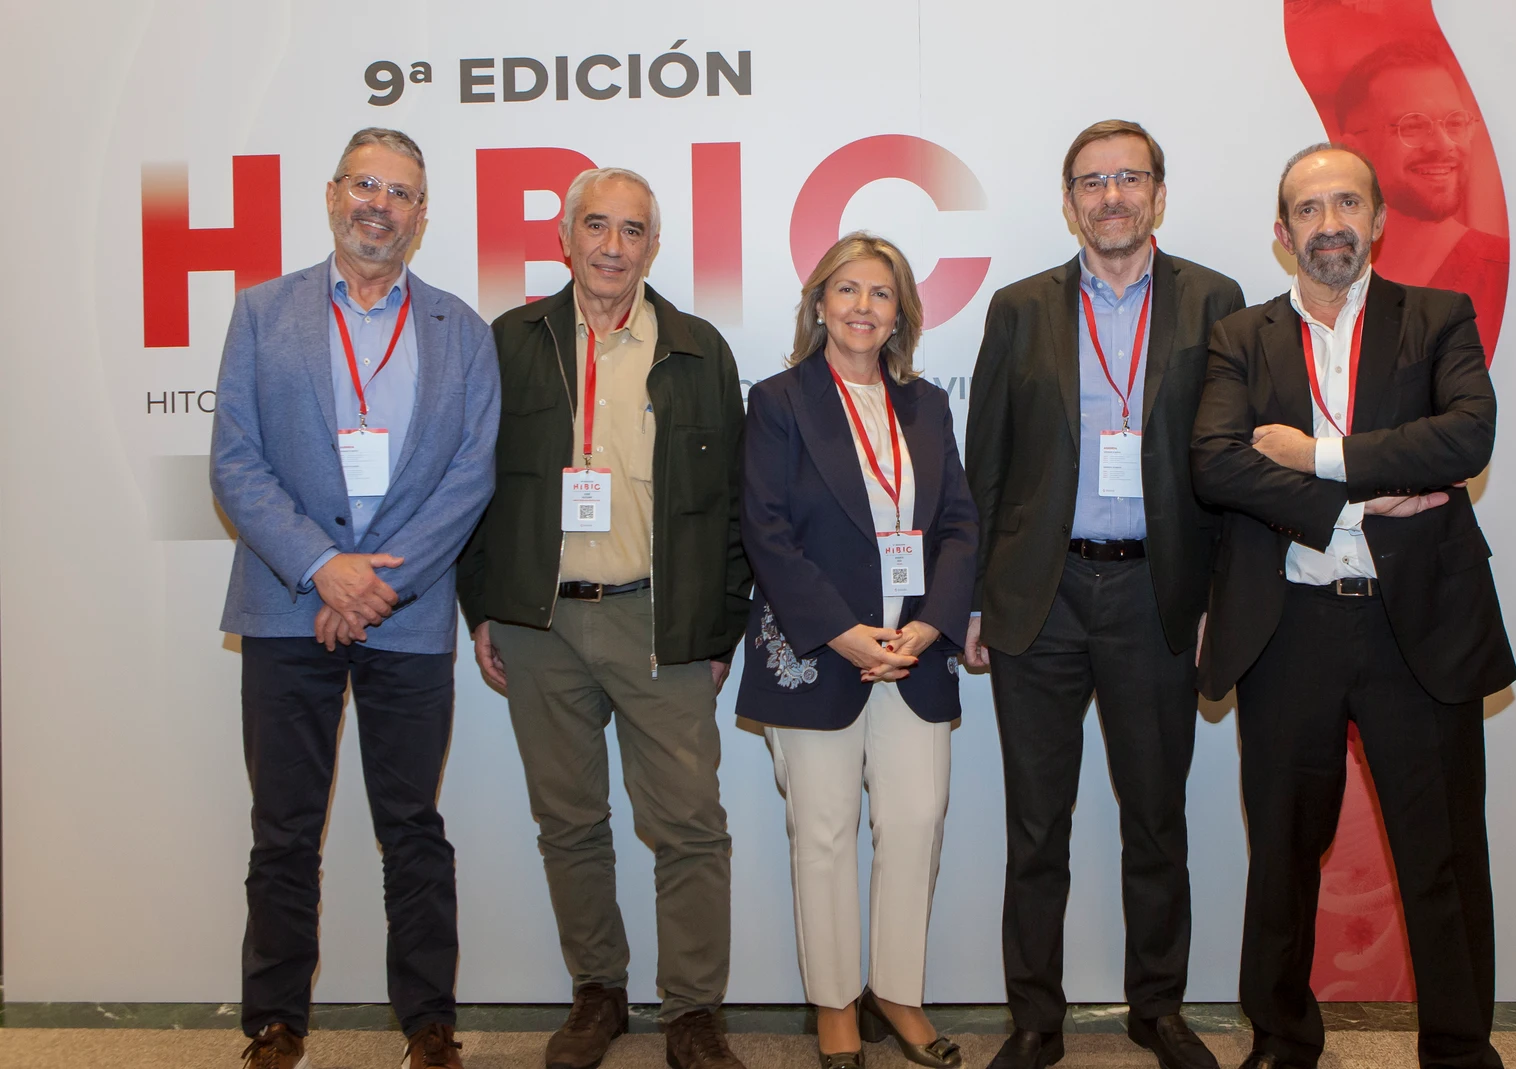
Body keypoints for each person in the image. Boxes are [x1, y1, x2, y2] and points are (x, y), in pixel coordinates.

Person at [1190, 143, 1516, 1069]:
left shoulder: (1438, 318)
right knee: (1285, 856)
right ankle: (1284, 1039)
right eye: (1307, 208)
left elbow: (1465, 434)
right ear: (1281, 233)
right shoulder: (1240, 335)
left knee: (1443, 855)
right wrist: (1362, 492)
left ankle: (1458, 1047)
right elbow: (1215, 461)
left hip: (1417, 628)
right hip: (1289, 627)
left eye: (1346, 204)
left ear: (1379, 220)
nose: (1327, 223)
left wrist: (1314, 456)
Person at [211, 127, 499, 1069]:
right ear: (333, 195)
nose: (381, 204)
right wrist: (321, 566)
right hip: (288, 602)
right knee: (285, 827)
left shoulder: (463, 329)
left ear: (423, 214)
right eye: (366, 185)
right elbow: (237, 462)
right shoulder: (262, 312)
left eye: (402, 192)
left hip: (408, 616)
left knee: (411, 825)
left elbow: (471, 474)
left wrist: (375, 581)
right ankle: (275, 1019)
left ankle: (428, 1021)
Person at [455, 167, 752, 1069]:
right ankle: (599, 992)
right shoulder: (508, 342)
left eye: (633, 231)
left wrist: (717, 629)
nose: (614, 246)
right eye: (598, 226)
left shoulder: (700, 348)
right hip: (541, 627)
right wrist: (484, 610)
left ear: (653, 247)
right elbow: (467, 483)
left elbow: (735, 506)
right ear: (565, 237)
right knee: (570, 821)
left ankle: (694, 1011)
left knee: (691, 825)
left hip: (659, 620)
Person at [964, 120, 1245, 1069]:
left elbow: (1231, 464)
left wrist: (1218, 594)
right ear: (1069, 199)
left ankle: (1155, 1008)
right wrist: (973, 600)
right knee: (1035, 823)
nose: (1111, 196)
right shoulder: (1020, 307)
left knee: (1155, 817)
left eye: (1129, 178)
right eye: (1092, 181)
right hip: (1038, 596)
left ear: (1158, 193)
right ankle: (1035, 1017)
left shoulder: (1216, 300)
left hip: (1157, 595)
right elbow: (987, 465)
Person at [738, 232, 978, 1069]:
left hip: (913, 654)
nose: (863, 307)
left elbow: (958, 523)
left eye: (881, 293)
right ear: (818, 302)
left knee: (915, 824)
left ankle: (898, 992)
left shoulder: (927, 406)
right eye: (847, 290)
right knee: (826, 832)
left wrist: (929, 623)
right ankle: (836, 1002)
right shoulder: (778, 400)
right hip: (818, 651)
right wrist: (843, 632)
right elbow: (764, 530)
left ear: (902, 312)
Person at [1336, 40, 1509, 357]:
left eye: (1455, 123)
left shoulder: (1506, 276)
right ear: (1352, 152)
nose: (1443, 145)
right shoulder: (1325, 280)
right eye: (1412, 126)